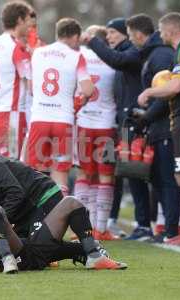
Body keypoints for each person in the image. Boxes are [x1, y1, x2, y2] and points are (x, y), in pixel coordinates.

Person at [0, 189, 127, 272]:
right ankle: (7, 260)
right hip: (19, 254)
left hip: (32, 250)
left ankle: (91, 254)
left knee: (72, 202)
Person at [82, 17, 152, 241]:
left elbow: (117, 60)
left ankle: (145, 224)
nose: (109, 37)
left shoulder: (131, 52)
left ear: (124, 33)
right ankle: (116, 221)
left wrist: (93, 41)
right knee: (123, 173)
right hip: (122, 121)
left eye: (112, 33)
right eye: (108, 33)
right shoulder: (121, 53)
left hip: (134, 121)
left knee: (135, 174)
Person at [125, 14, 179, 242]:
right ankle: (165, 228)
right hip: (158, 126)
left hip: (168, 126)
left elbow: (167, 93)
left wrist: (146, 117)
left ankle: (171, 229)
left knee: (168, 179)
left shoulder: (162, 55)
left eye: (129, 35)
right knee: (159, 179)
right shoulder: (154, 54)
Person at [26, 18, 94, 196]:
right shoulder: (76, 56)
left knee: (35, 172)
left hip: (39, 118)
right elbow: (88, 90)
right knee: (60, 171)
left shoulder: (38, 53)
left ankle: (33, 218)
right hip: (63, 120)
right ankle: (59, 219)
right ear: (75, 37)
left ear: (58, 34)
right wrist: (78, 102)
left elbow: (30, 88)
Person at [138, 12, 180, 245]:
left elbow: (176, 85)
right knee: (179, 176)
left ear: (169, 30)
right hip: (178, 121)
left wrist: (149, 92)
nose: (159, 33)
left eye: (160, 28)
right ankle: (178, 231)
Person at [74, 26, 117, 240]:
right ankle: (101, 228)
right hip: (106, 125)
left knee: (83, 174)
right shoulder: (112, 60)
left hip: (83, 123)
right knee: (105, 175)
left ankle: (84, 227)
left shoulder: (79, 57)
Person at [0, 1, 33, 159]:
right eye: (28, 20)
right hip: (12, 115)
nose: (30, 25)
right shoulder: (16, 47)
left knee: (1, 169)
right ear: (19, 20)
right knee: (14, 169)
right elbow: (31, 85)